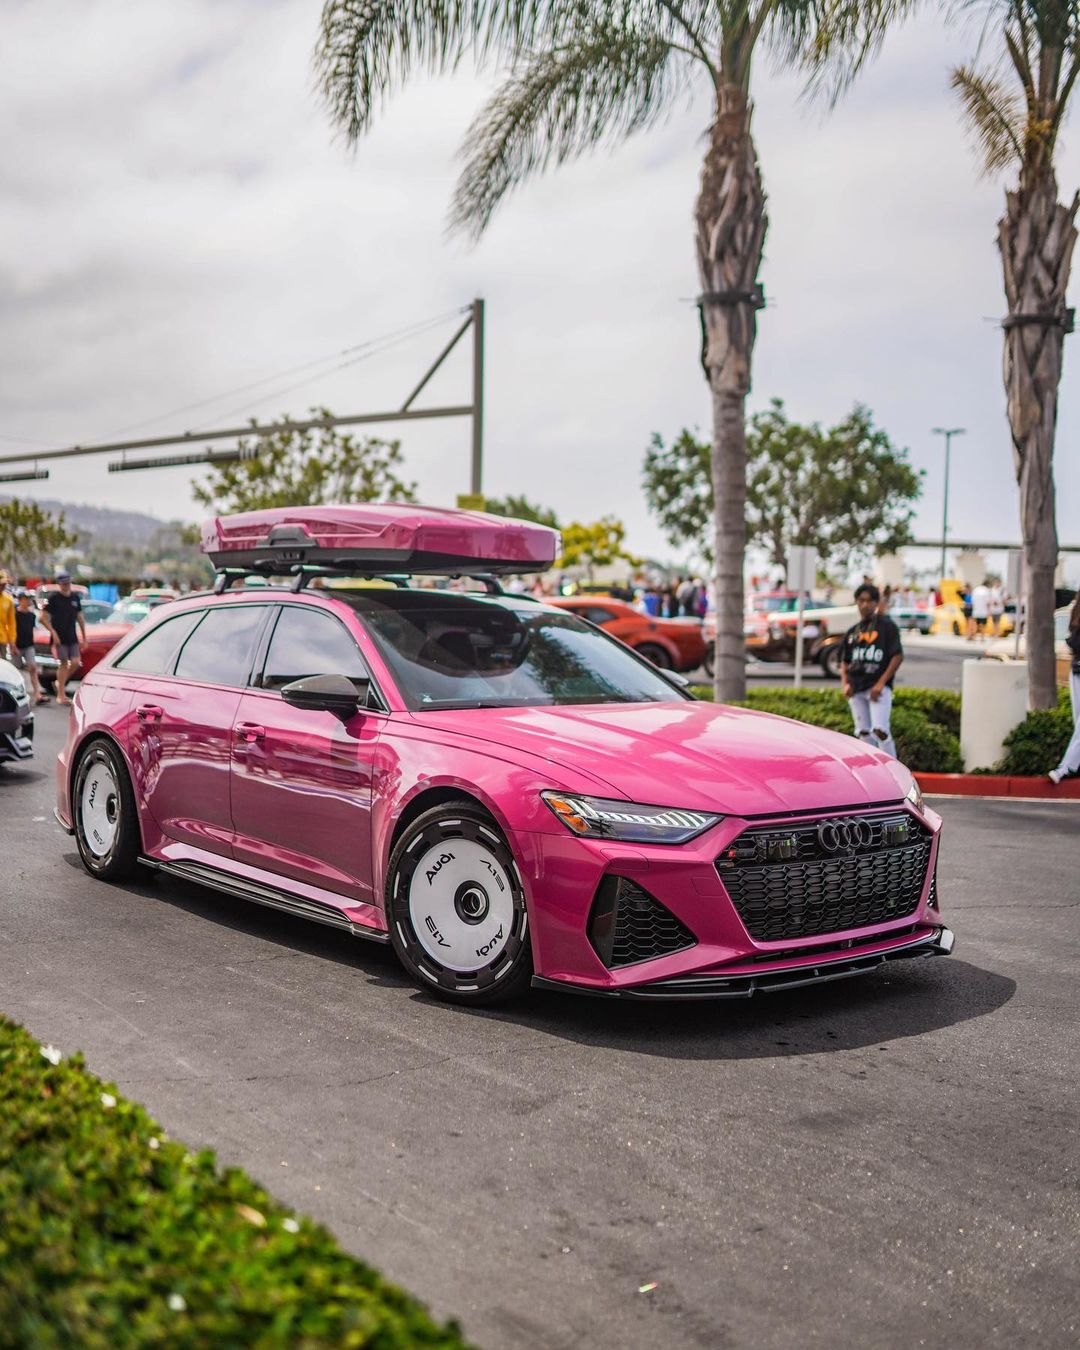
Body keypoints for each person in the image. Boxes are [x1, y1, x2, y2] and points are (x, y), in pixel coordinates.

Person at [841, 583, 904, 759]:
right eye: (861, 600)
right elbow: (844, 661)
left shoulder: (887, 627)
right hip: (857, 689)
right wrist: (845, 684)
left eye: (869, 601)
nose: (865, 605)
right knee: (863, 732)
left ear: (876, 603)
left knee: (880, 731)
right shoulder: (852, 632)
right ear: (856, 602)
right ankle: (871, 767)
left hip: (878, 689)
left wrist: (881, 683)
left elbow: (897, 656)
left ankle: (892, 767)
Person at [40, 572, 86, 705]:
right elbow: (42, 618)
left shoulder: (75, 597)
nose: (66, 585)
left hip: (72, 636)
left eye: (68, 582)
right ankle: (61, 695)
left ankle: (59, 682)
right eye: (64, 583)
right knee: (64, 663)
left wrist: (84, 637)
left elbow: (80, 618)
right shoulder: (53, 598)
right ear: (59, 584)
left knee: (76, 663)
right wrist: (53, 632)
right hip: (59, 637)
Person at [1049, 594, 1080, 784]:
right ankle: (1069, 767)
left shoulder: (1075, 613)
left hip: (1076, 670)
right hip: (1077, 672)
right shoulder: (1075, 614)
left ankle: (1066, 768)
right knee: (1079, 723)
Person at [12, 590, 48, 704]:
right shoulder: (15, 614)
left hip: (29, 645)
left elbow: (33, 629)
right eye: (24, 599)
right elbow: (12, 630)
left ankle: (37, 694)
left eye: (27, 599)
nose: (26, 601)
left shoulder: (31, 615)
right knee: (16, 670)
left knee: (33, 667)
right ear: (20, 600)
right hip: (17, 645)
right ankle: (17, 695)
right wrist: (12, 645)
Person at [0, 570, 15, 660]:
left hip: (2, 640)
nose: (2, 586)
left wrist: (12, 641)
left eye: (4, 584)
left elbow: (11, 623)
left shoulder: (8, 600)